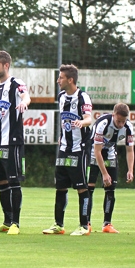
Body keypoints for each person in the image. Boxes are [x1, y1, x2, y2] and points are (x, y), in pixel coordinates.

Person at [0, 51, 30, 235]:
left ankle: (16, 223)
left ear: (6, 65)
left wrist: (24, 103)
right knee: (0, 182)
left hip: (13, 142)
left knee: (14, 181)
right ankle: (7, 221)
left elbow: (26, 96)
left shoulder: (16, 84)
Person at [42, 64, 92, 236]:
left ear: (70, 80)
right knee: (60, 187)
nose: (58, 80)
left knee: (81, 187)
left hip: (79, 149)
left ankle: (84, 226)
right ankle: (58, 224)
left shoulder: (83, 97)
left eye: (61, 78)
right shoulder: (62, 96)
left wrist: (81, 122)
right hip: (63, 148)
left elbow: (89, 118)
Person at [86, 103, 135, 234]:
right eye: (118, 121)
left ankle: (107, 224)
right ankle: (86, 223)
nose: (120, 124)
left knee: (110, 189)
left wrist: (130, 170)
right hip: (93, 152)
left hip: (110, 153)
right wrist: (104, 174)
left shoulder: (128, 127)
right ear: (113, 115)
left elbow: (130, 150)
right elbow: (97, 151)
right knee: (89, 187)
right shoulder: (103, 124)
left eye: (123, 121)